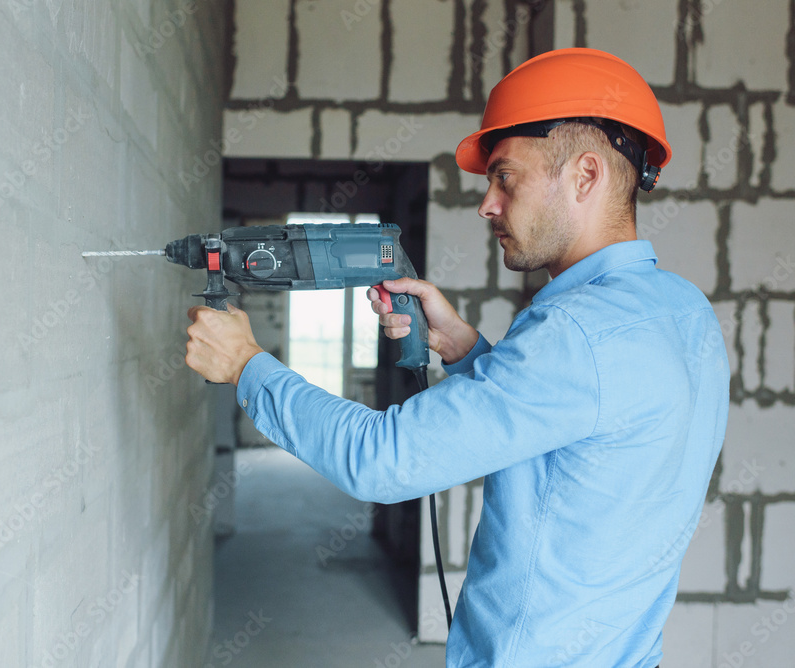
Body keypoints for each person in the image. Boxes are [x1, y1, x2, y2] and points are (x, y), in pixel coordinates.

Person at [184, 48, 729, 668]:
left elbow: (382, 459)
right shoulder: (685, 310)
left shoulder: (574, 333)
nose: (487, 204)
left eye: (505, 177)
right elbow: (581, 426)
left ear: (585, 176)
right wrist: (466, 350)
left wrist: (247, 364)